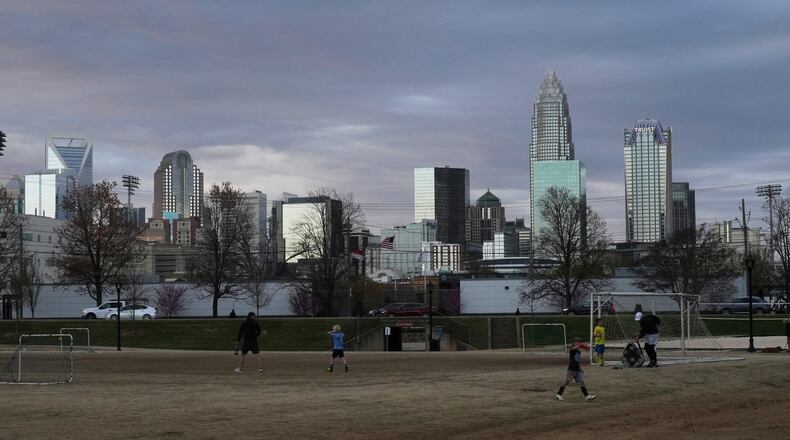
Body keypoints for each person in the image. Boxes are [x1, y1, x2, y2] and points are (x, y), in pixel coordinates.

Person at [555, 337, 597, 402]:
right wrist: (582, 345)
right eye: (577, 342)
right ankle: (558, 394)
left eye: (579, 341)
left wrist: (580, 368)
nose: (578, 343)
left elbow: (578, 361)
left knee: (581, 382)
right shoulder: (572, 349)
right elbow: (576, 347)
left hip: (577, 369)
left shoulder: (578, 352)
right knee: (566, 382)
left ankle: (587, 396)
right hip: (571, 369)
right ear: (574, 343)